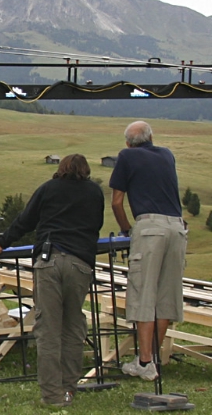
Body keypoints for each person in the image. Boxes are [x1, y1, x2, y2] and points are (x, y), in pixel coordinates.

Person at [0, 154, 104, 408]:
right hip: (81, 263)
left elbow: (25, 221)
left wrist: (0, 246)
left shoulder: (49, 188)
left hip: (49, 261)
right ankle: (69, 389)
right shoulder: (95, 192)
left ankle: (52, 395)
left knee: (48, 329)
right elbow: (97, 224)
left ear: (62, 168)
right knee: (73, 327)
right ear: (85, 170)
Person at [109, 120, 187, 382]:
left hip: (150, 227)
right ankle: (152, 358)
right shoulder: (167, 154)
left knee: (144, 293)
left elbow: (117, 202)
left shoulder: (126, 156)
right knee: (166, 295)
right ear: (151, 137)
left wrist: (126, 229)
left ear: (128, 142)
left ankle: (144, 362)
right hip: (177, 227)